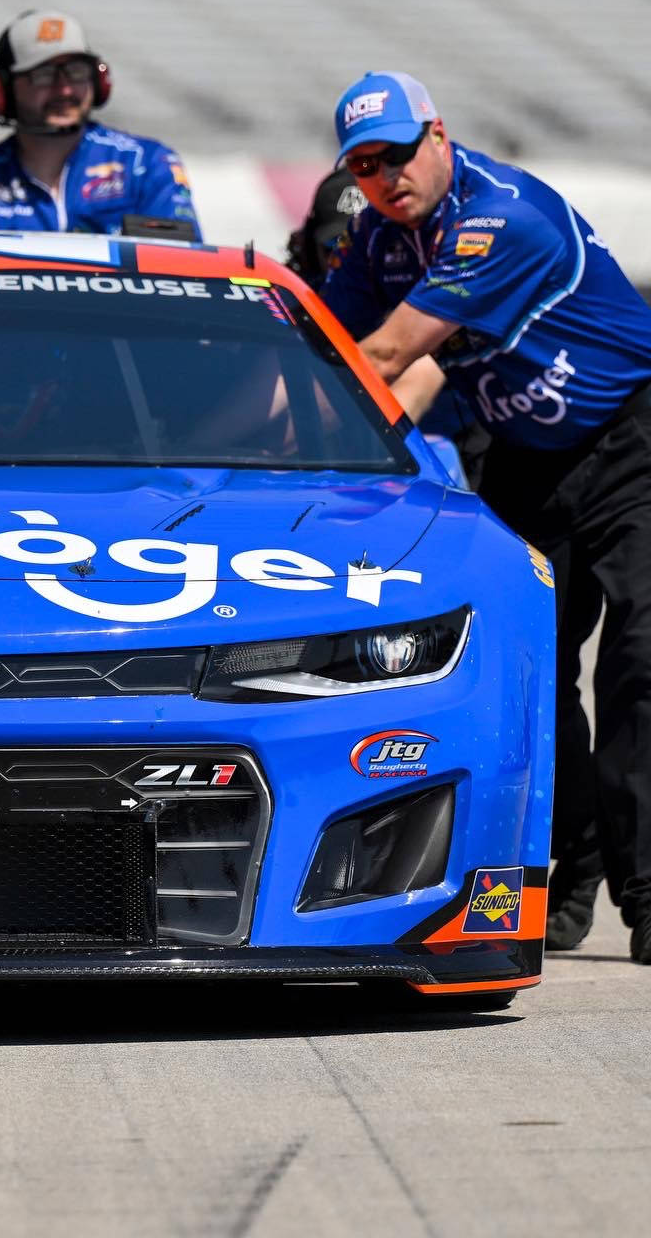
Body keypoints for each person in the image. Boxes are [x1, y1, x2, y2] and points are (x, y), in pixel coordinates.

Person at [319, 70, 651, 963]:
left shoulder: (501, 215)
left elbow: (386, 355)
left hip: (632, 438)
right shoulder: (378, 237)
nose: (387, 176)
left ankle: (649, 889)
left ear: (440, 133)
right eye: (365, 163)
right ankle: (570, 879)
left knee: (639, 664)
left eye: (398, 152)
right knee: (532, 677)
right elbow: (320, 353)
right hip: (528, 463)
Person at [287, 164, 488, 490]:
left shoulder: (438, 296)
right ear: (308, 247)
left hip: (456, 465)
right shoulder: (296, 294)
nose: (352, 260)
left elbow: (405, 393)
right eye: (335, 249)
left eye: (362, 247)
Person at [0, 10, 201, 236]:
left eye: (76, 72)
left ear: (98, 82)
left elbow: (185, 271)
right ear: (3, 92)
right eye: (44, 75)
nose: (65, 90)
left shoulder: (145, 164)